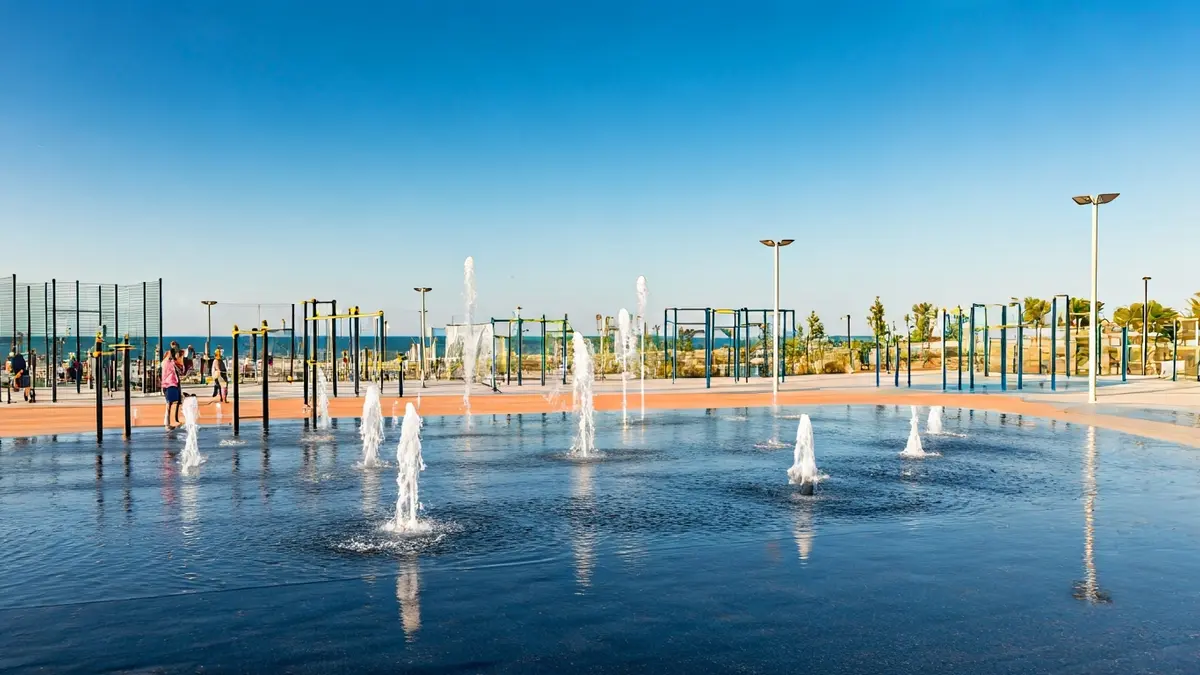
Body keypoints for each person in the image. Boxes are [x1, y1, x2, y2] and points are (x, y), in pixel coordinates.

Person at [162, 347, 183, 429]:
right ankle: (168, 423)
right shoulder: (171, 363)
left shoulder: (165, 362)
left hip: (167, 384)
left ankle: (169, 422)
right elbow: (179, 371)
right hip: (171, 384)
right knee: (170, 404)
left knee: (170, 404)